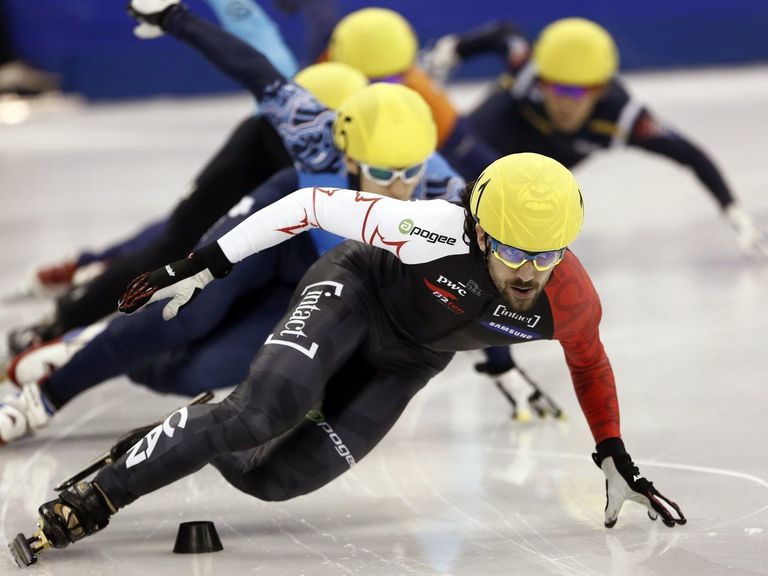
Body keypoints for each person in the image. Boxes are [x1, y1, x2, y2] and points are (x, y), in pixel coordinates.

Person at [11, 148, 687, 566]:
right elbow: (307, 204)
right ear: (480, 230)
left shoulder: (568, 300)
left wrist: (613, 452)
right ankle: (99, 495)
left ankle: (185, 431)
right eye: (513, 250)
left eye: (547, 254)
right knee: (265, 410)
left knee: (273, 481)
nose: (528, 272)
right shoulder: (432, 228)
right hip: (355, 293)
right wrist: (206, 263)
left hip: (409, 360)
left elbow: (590, 364)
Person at [419, 17, 768, 256]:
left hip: (541, 166)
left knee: (509, 214)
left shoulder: (624, 117)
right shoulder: (527, 70)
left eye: (577, 91)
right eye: (554, 86)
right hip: (500, 126)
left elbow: (690, 155)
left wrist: (733, 210)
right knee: (449, 167)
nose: (563, 101)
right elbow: (503, 34)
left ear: (599, 90)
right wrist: (450, 50)